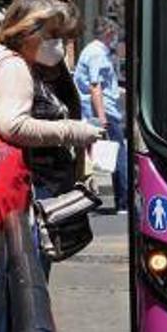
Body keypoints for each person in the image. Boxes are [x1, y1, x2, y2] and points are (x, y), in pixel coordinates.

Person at [0, 0, 104, 332]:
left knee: (18, 294)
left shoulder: (39, 68)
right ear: (27, 32)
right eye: (52, 35)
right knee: (22, 297)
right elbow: (13, 124)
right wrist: (74, 130)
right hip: (25, 196)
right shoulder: (13, 67)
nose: (60, 44)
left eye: (64, 36)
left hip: (38, 194)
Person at [74, 16, 126, 211]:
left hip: (99, 109)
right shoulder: (97, 54)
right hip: (105, 112)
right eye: (114, 34)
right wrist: (102, 117)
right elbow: (95, 87)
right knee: (119, 154)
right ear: (108, 33)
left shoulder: (94, 51)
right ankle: (123, 201)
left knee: (98, 154)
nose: (116, 38)